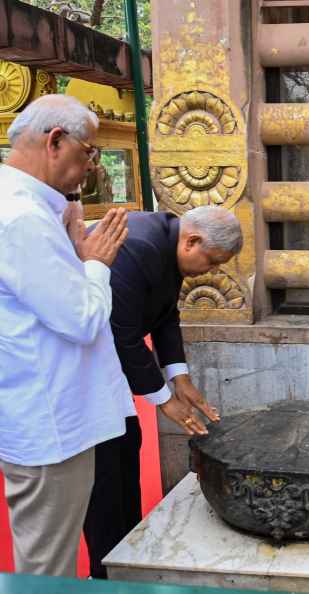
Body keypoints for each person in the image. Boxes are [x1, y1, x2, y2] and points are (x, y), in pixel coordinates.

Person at [0, 95, 132, 576]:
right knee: (46, 569)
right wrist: (97, 264)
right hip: (50, 421)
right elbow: (79, 319)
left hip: (51, 411)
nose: (90, 167)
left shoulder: (28, 208)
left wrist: (78, 258)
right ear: (55, 141)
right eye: (89, 152)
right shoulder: (21, 217)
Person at [83, 206, 242, 579]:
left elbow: (165, 313)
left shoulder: (168, 243)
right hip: (81, 372)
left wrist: (180, 377)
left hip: (108, 369)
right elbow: (121, 334)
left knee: (126, 446)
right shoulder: (138, 246)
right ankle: (104, 574)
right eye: (213, 262)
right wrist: (164, 400)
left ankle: (128, 552)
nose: (213, 271)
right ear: (192, 241)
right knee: (104, 471)